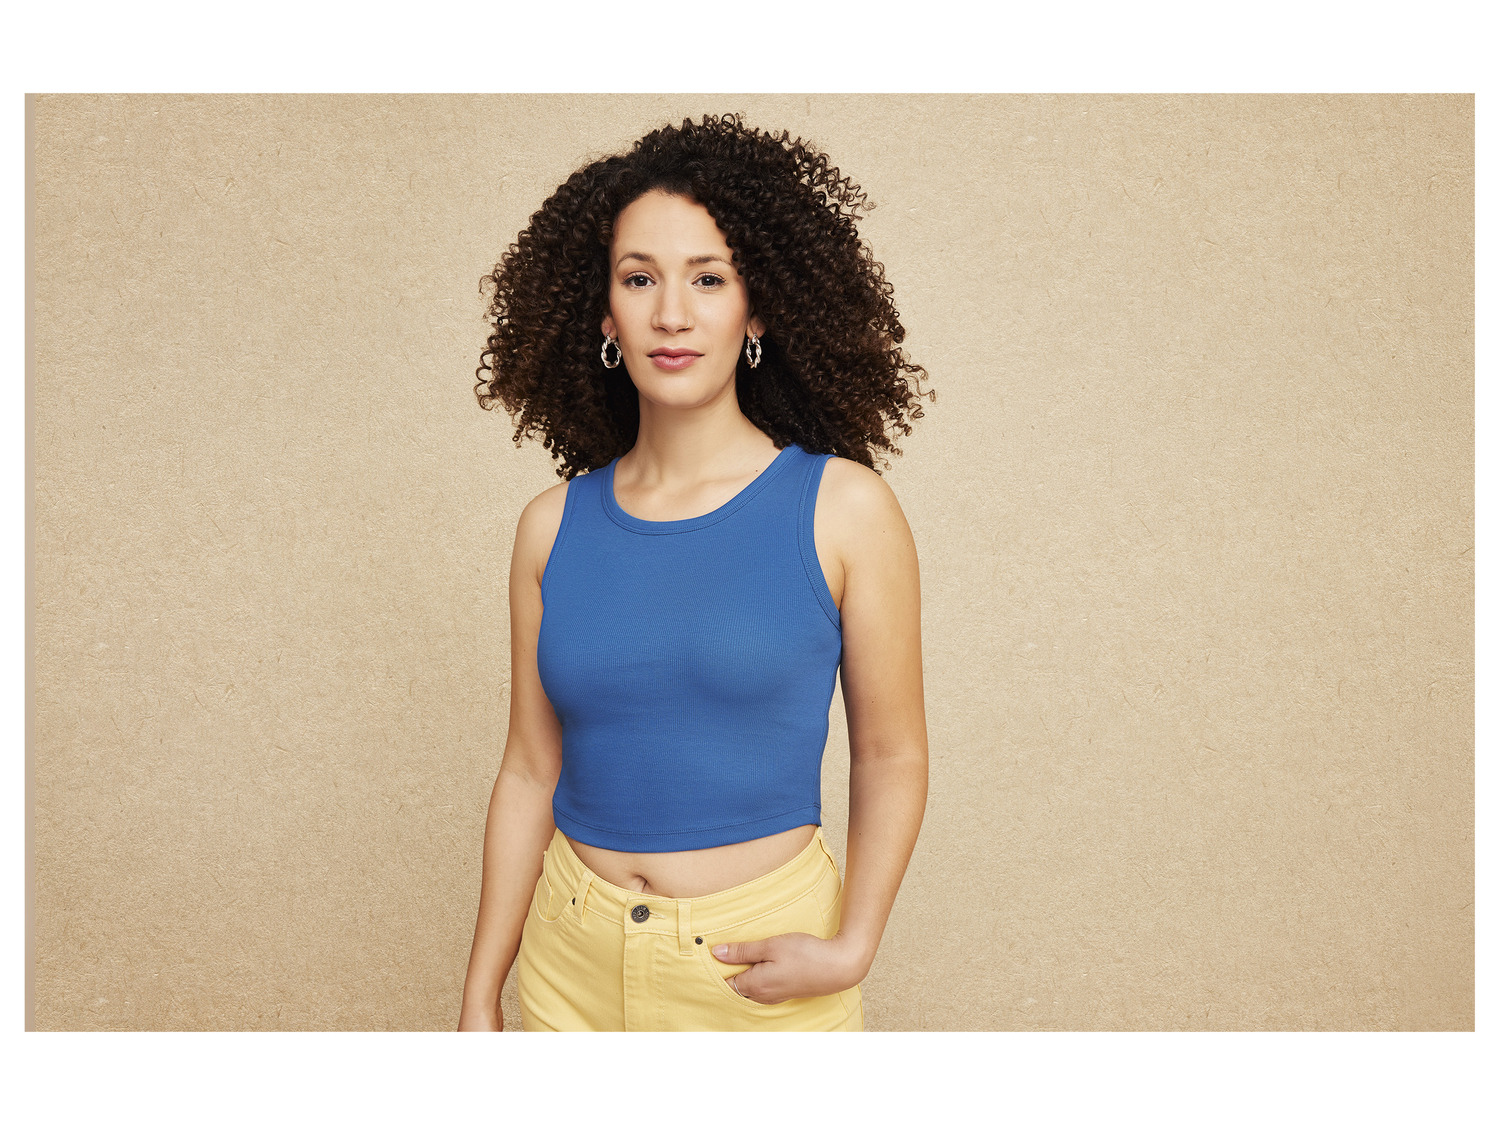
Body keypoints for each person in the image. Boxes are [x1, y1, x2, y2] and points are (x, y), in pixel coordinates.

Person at [458, 114, 931, 1031]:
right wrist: (481, 990)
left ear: (757, 310)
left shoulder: (844, 509)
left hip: (757, 968)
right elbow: (528, 769)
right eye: (639, 278)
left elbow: (892, 753)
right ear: (604, 313)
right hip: (569, 964)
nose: (671, 313)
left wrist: (854, 944)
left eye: (708, 279)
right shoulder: (550, 527)